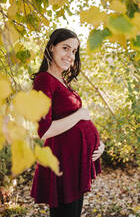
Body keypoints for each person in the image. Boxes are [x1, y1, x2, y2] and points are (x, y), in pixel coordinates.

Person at [30, 28, 105, 217]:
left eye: (74, 51)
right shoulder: (44, 80)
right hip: (63, 164)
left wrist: (97, 144)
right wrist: (80, 115)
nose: (70, 55)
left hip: (75, 163)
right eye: (65, 48)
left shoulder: (61, 80)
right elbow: (44, 131)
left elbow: (74, 122)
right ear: (51, 48)